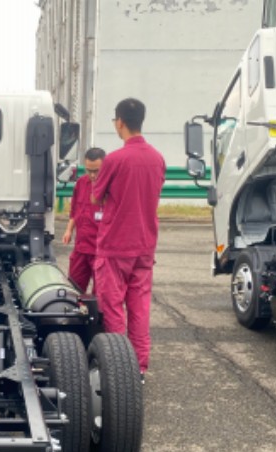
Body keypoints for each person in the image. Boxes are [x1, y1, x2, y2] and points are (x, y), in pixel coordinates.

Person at [91, 98, 166, 381]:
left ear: (120, 122)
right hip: (145, 243)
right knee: (139, 308)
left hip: (115, 244)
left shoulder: (114, 159)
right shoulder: (157, 158)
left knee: (112, 308)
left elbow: (96, 197)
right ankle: (139, 368)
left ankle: (117, 369)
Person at [62, 148, 106, 295]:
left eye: (96, 171)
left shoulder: (111, 186)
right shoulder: (81, 183)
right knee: (74, 288)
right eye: (89, 170)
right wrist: (69, 230)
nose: (92, 175)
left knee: (100, 293)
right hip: (81, 247)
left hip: (100, 251)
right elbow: (75, 210)